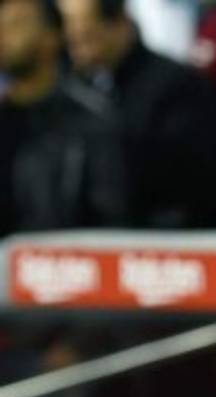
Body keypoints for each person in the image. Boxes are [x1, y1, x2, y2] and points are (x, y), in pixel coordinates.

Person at [57, 0, 216, 227]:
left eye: (87, 36)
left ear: (120, 24)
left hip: (173, 243)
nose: (77, 50)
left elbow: (200, 183)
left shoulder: (176, 88)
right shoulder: (80, 87)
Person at [0, 0, 126, 235]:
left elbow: (110, 223)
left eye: (16, 25)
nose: (3, 35)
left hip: (65, 266)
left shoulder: (93, 122)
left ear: (52, 37)